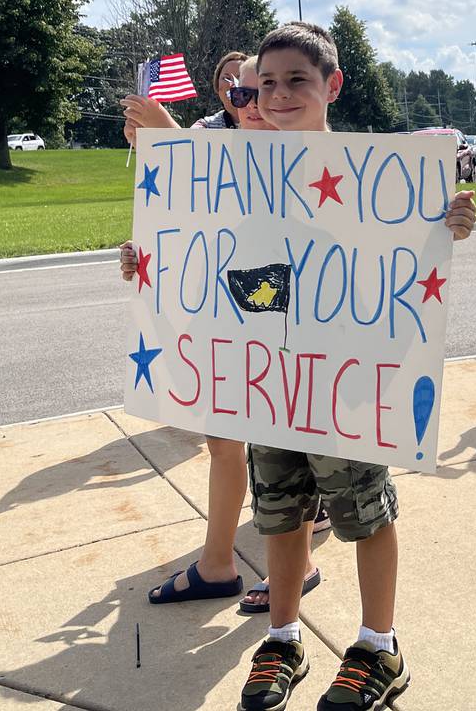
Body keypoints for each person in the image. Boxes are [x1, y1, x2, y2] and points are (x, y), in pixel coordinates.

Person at [238, 21, 476, 711]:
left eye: (296, 81)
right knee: (279, 514)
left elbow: (410, 240)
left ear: (331, 86)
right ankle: (283, 636)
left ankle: (379, 645)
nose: (279, 95)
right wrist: (146, 266)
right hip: (269, 376)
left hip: (346, 378)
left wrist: (448, 221)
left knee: (362, 511)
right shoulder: (234, 173)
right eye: (268, 83)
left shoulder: (376, 175)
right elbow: (209, 255)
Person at [120, 57, 325, 615]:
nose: (255, 105)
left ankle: (298, 563)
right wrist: (147, 258)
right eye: (241, 96)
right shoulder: (222, 162)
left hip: (287, 321)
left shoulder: (306, 156)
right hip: (229, 320)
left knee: (287, 440)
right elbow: (186, 223)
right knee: (223, 441)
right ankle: (217, 563)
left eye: (266, 92)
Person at [193, 50, 248, 129]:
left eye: (239, 77)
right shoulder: (205, 125)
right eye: (226, 78)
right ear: (217, 85)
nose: (232, 84)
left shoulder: (269, 122)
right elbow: (185, 139)